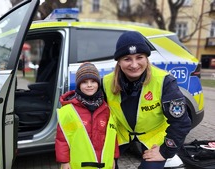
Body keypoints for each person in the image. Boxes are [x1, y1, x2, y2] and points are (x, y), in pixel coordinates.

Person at [102, 31, 192, 169]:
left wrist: (165, 152)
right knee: (103, 164)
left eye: (139, 57)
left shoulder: (164, 82)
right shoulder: (105, 82)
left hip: (153, 135)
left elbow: (181, 122)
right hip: (121, 133)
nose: (134, 64)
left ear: (147, 58)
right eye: (127, 59)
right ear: (118, 61)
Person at [55, 62, 119, 169]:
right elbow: (63, 139)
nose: (89, 85)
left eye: (93, 81)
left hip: (103, 164)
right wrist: (64, 161)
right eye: (84, 82)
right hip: (79, 165)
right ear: (78, 85)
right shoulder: (69, 110)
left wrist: (113, 158)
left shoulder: (106, 108)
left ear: (98, 83)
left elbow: (112, 136)